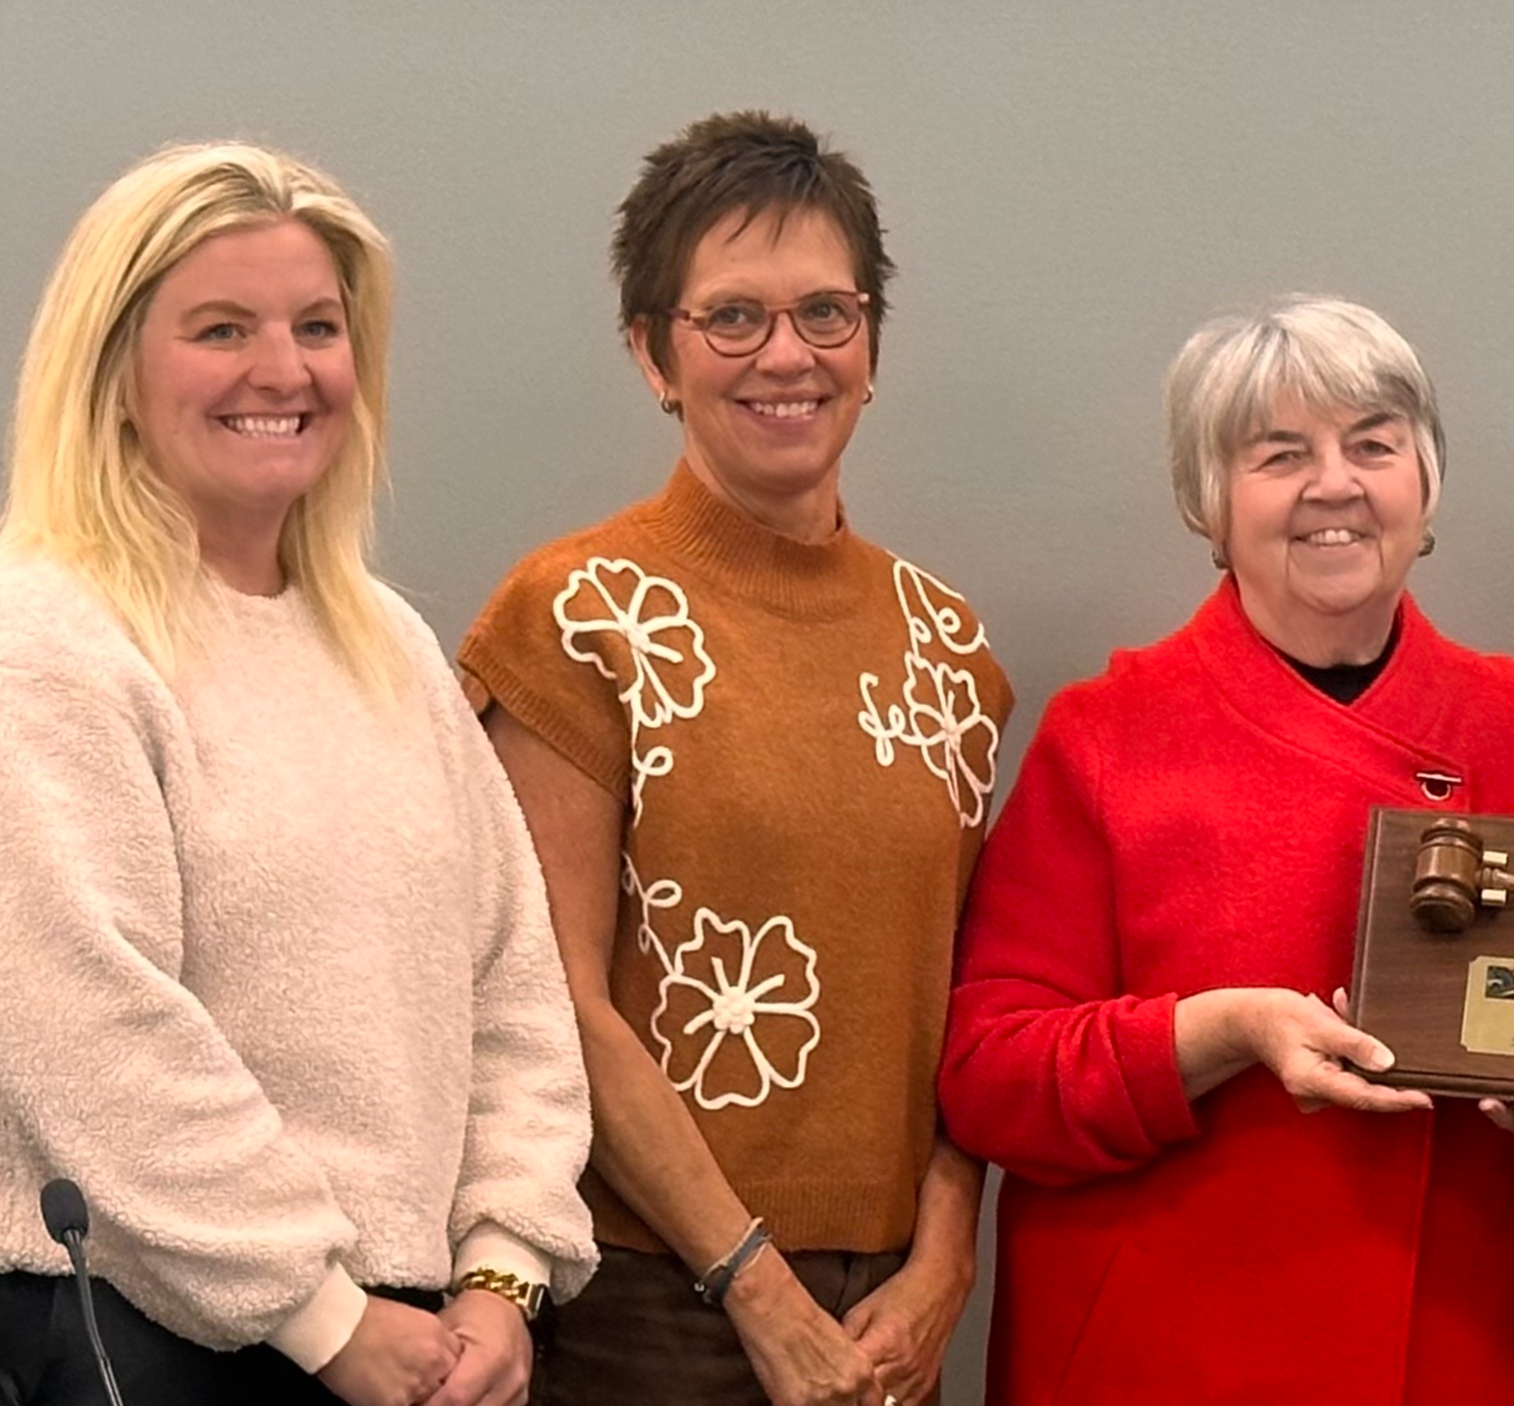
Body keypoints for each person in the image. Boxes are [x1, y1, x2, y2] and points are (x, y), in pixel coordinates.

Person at [0, 141, 596, 1406]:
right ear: (112, 373)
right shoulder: (36, 642)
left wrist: (502, 1269)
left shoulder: (385, 646)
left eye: (317, 326)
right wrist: (318, 1310)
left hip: (409, 1342)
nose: (284, 370)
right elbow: (90, 1034)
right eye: (221, 329)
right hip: (123, 1337)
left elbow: (511, 992)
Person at [938, 296, 1514, 1406]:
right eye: (1279, 454)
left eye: (1373, 443)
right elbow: (990, 1078)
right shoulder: (1105, 733)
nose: (1334, 484)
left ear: (1425, 480)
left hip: (1455, 1351)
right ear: (1210, 503)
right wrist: (1217, 1032)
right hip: (1166, 1352)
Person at [458, 112, 1007, 1406]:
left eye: (826, 312)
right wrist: (753, 1286)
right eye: (732, 318)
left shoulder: (949, 649)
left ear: (870, 346)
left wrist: (944, 1258)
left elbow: (965, 1004)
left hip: (885, 1311)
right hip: (652, 1301)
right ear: (652, 351)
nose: (787, 355)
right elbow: (555, 999)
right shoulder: (576, 615)